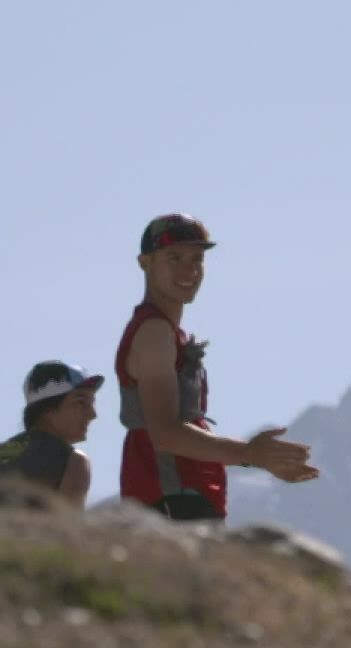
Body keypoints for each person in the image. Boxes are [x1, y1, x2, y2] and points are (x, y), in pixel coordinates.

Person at [117, 213, 319, 522]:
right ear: (145, 263)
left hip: (179, 498)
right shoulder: (154, 332)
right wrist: (250, 454)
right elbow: (165, 434)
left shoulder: (165, 332)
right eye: (174, 258)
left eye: (197, 259)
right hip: (171, 501)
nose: (189, 270)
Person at [0, 361, 105, 507]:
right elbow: (68, 520)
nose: (92, 414)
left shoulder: (4, 452)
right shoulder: (73, 461)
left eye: (92, 403)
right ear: (46, 410)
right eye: (81, 402)